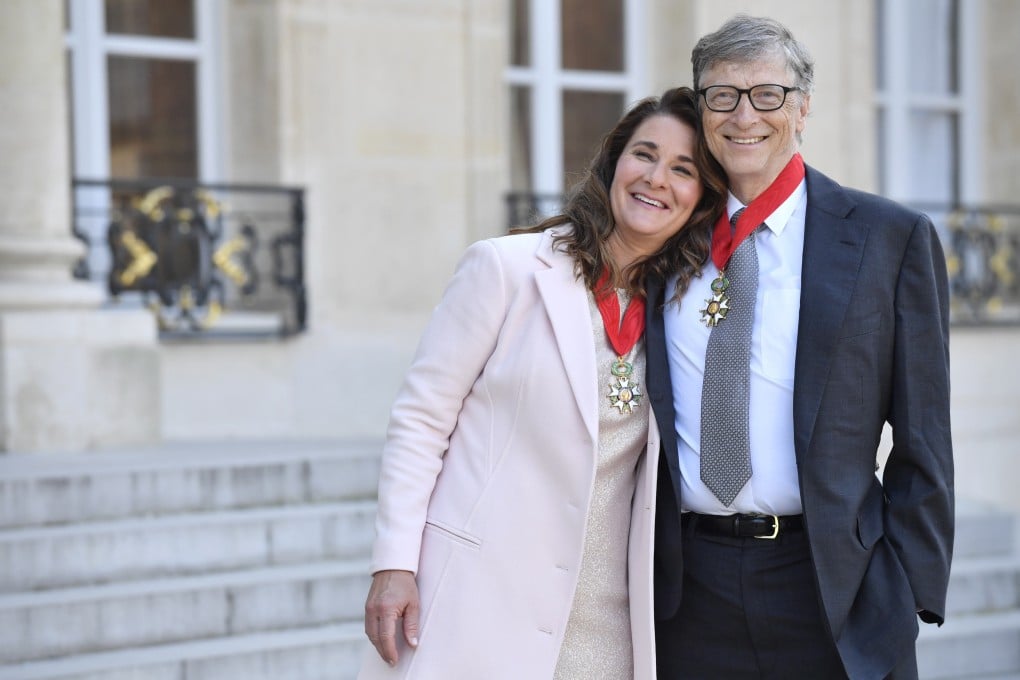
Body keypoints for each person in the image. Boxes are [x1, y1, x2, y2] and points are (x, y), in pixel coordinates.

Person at [359, 86, 726, 679]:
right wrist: (394, 563)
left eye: (683, 170)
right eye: (645, 154)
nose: (657, 178)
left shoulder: (678, 313)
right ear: (613, 163)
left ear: (701, 201)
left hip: (610, 623)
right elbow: (421, 421)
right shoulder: (505, 270)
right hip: (479, 597)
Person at [646, 15, 954, 680]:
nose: (743, 115)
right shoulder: (666, 240)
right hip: (686, 595)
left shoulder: (887, 238)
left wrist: (908, 592)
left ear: (803, 107)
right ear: (701, 110)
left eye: (768, 94)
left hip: (831, 586)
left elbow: (924, 436)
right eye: (721, 95)